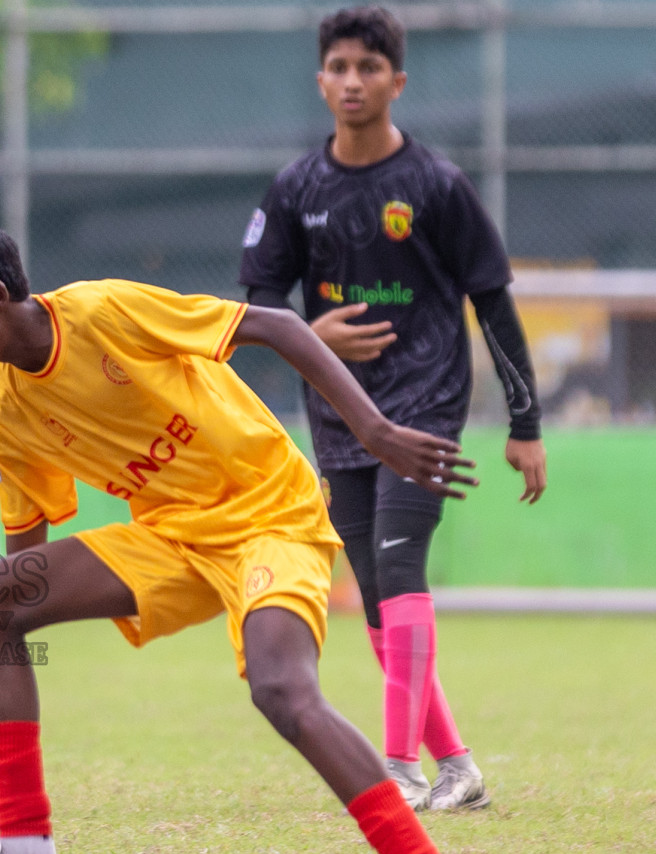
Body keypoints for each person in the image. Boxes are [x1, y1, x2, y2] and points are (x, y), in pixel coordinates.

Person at [0, 216, 498, 854]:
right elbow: (11, 599)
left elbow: (275, 325)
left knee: (281, 692)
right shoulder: (6, 418)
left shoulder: (102, 313)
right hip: (174, 538)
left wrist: (374, 431)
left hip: (270, 513)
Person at [238, 5, 547, 812]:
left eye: (367, 68)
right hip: (338, 417)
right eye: (337, 67)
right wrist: (313, 333)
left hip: (426, 410)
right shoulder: (296, 187)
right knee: (376, 592)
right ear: (320, 79)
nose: (351, 81)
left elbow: (494, 304)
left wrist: (525, 426)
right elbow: (260, 297)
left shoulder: (435, 186)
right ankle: (459, 771)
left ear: (396, 82)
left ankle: (401, 770)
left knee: (401, 568)